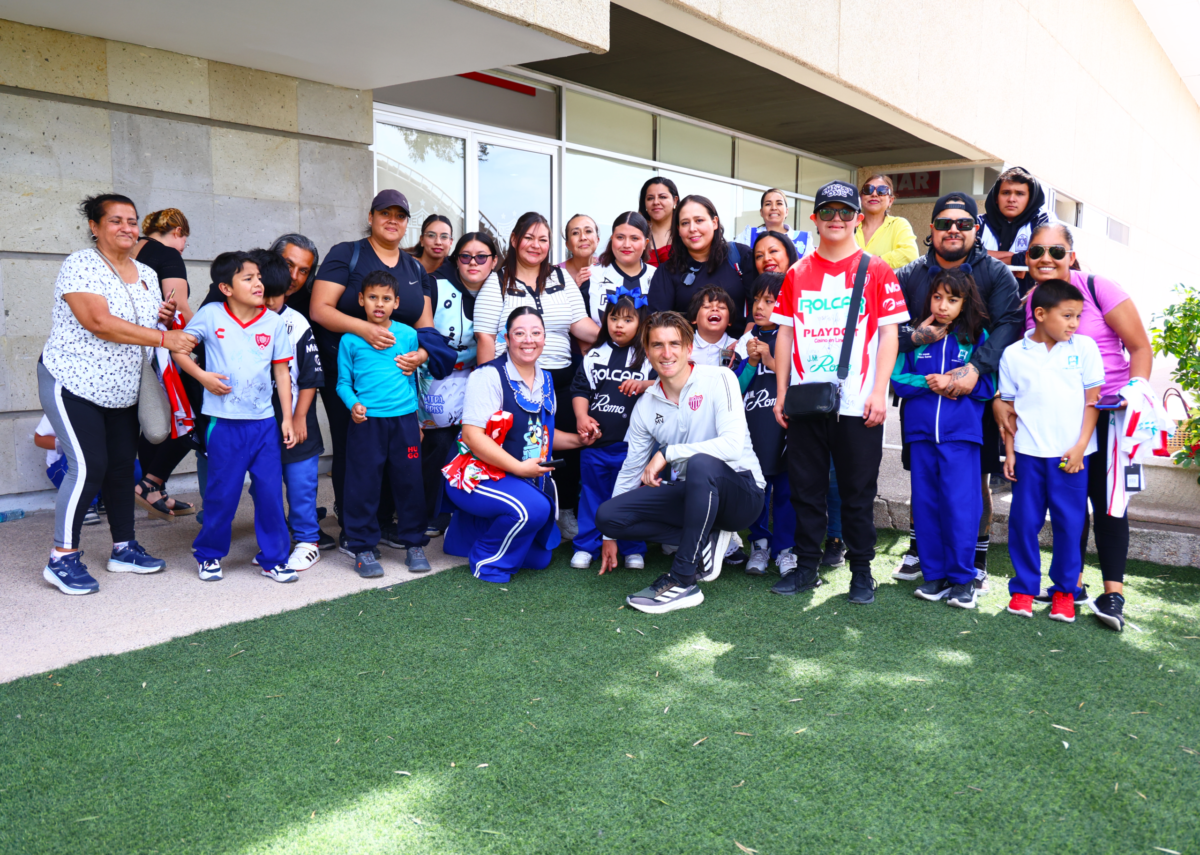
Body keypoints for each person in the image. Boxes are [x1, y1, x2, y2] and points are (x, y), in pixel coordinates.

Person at [996, 222, 1153, 631]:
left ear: (1072, 254)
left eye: (1056, 251)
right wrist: (1001, 404)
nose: (1045, 258)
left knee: (1107, 504)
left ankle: (1112, 592)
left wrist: (1134, 399)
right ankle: (1070, 587)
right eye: (1035, 252)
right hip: (1046, 432)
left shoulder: (1100, 289)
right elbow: (1017, 374)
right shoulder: (1031, 303)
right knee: (1065, 513)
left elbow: (1139, 348)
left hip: (1108, 415)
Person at [39, 194, 193, 595]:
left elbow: (134, 319)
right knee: (88, 467)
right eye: (116, 220)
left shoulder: (143, 271)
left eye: (132, 221)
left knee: (124, 469)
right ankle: (62, 558)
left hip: (124, 390)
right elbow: (99, 321)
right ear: (95, 225)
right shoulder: (80, 264)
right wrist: (164, 335)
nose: (127, 228)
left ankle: (123, 548)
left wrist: (157, 317)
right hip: (73, 383)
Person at [770, 181, 908, 604]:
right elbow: (785, 336)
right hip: (807, 401)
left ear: (858, 218)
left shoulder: (876, 269)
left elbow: (889, 336)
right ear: (814, 219)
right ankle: (807, 568)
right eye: (827, 211)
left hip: (858, 402)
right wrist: (781, 392)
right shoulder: (796, 272)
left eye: (845, 212)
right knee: (806, 489)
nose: (836, 219)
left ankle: (862, 572)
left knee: (857, 493)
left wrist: (879, 391)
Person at [893, 193, 1023, 590]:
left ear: (976, 228)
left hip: (970, 404)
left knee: (972, 484)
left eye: (963, 223)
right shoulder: (910, 274)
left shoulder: (995, 274)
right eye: (945, 223)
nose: (954, 229)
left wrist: (975, 369)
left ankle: (973, 558)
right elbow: (882, 330)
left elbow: (1010, 324)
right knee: (925, 483)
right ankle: (924, 556)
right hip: (920, 412)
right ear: (931, 230)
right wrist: (915, 337)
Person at [596, 312, 765, 614]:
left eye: (675, 343)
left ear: (689, 348)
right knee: (608, 516)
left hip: (742, 493)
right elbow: (632, 470)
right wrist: (611, 536)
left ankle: (683, 579)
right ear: (647, 352)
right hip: (695, 496)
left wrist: (668, 453)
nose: (667, 353)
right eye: (658, 345)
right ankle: (708, 539)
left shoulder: (719, 378)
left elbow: (731, 445)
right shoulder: (647, 405)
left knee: (701, 464)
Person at [310, 189, 435, 551]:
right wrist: (364, 329)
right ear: (371, 216)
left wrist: (421, 355)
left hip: (397, 382)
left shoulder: (414, 268)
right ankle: (355, 527)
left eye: (400, 214)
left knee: (399, 458)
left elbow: (424, 327)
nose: (392, 220)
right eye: (385, 212)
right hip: (351, 374)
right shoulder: (346, 254)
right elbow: (320, 309)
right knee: (357, 454)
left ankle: (385, 522)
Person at [474, 211, 600, 538]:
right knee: (524, 444)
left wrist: (621, 337)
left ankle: (567, 509)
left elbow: (580, 325)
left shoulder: (560, 279)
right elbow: (486, 337)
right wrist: (492, 386)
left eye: (542, 239)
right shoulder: (497, 280)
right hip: (517, 380)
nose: (535, 245)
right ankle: (522, 508)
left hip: (563, 375)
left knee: (569, 445)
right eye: (528, 237)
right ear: (514, 240)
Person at [442, 308, 590, 583]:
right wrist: (520, 469)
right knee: (532, 509)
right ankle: (487, 563)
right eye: (519, 333)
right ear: (507, 339)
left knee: (540, 559)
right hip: (477, 475)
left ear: (545, 338)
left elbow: (541, 434)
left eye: (535, 333)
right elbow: (473, 437)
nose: (528, 340)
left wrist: (579, 440)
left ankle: (467, 533)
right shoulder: (487, 376)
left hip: (516, 476)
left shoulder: (545, 378)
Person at [177, 251, 297, 583]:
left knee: (271, 494)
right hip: (223, 424)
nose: (258, 283)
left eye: (258, 277)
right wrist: (202, 377)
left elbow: (282, 373)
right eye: (248, 278)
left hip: (263, 425)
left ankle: (274, 558)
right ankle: (208, 554)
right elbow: (178, 349)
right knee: (222, 494)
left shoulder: (273, 322)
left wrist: (286, 418)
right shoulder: (211, 315)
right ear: (226, 287)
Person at [999, 279, 1104, 623]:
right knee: (1024, 523)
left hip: (1071, 458)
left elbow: (1093, 404)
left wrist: (1079, 448)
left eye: (1078, 316)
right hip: (1028, 454)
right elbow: (1010, 410)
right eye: (1068, 316)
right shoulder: (1014, 354)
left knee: (1070, 524)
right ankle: (1024, 591)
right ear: (1040, 314)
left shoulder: (1085, 348)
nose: (1074, 324)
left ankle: (1063, 594)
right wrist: (1011, 453)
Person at [891, 268, 996, 609]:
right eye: (937, 297)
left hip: (961, 437)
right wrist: (930, 382)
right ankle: (934, 575)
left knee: (960, 506)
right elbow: (896, 380)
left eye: (952, 299)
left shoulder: (977, 338)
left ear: (965, 303)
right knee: (925, 504)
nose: (943, 305)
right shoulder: (916, 335)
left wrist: (954, 382)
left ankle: (963, 579)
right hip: (920, 436)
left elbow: (988, 388)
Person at [336, 270, 431, 577]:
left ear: (396, 302)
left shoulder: (407, 335)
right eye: (373, 297)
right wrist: (354, 405)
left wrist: (417, 420)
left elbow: (416, 380)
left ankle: (414, 542)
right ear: (361, 300)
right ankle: (362, 547)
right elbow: (342, 384)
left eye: (386, 298)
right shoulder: (350, 339)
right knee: (363, 485)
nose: (379, 304)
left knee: (409, 482)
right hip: (367, 425)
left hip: (403, 423)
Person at [419, 232, 499, 537]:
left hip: (480, 376)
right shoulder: (436, 285)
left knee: (474, 442)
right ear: (456, 259)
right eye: (466, 256)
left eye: (482, 257)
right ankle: (431, 512)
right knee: (438, 445)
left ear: (493, 261)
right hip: (435, 378)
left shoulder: (501, 290)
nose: (473, 262)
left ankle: (467, 508)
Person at [570, 287, 655, 571]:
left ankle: (633, 547)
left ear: (641, 322)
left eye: (628, 320)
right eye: (614, 318)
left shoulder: (649, 357)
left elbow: (671, 385)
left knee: (630, 498)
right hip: (596, 444)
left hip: (633, 446)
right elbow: (580, 389)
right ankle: (586, 545)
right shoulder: (595, 354)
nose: (619, 325)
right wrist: (582, 417)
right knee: (592, 495)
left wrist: (644, 384)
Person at [131, 208, 197, 520]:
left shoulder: (132, 250)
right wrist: (210, 338)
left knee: (151, 420)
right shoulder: (168, 253)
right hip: (158, 351)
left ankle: (154, 490)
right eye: (185, 238)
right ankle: (150, 484)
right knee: (190, 415)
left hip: (125, 350)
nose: (184, 246)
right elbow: (179, 305)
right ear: (177, 231)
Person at [262, 253, 325, 573]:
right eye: (264, 292)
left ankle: (307, 540)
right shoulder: (235, 320)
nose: (270, 301)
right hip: (258, 423)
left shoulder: (296, 322)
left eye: (278, 293)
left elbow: (311, 376)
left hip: (298, 420)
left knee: (301, 485)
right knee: (266, 487)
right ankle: (274, 541)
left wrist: (300, 417)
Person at [733, 272, 797, 577]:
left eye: (769, 301)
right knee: (757, 490)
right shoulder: (747, 339)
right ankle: (759, 545)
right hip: (753, 430)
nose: (760, 306)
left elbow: (798, 376)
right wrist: (752, 363)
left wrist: (770, 358)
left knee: (786, 492)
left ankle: (786, 550)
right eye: (756, 299)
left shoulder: (793, 336)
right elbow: (735, 389)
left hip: (784, 429)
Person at [648, 195, 756, 333]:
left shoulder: (740, 256)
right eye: (685, 223)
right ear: (678, 229)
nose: (692, 228)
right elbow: (657, 323)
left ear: (715, 222)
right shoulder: (667, 270)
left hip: (739, 350)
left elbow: (760, 304)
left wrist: (745, 342)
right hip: (687, 352)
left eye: (699, 220)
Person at [36, 411, 103, 526]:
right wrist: (68, 444)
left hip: (99, 460)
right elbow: (39, 439)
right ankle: (86, 504)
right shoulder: (62, 403)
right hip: (64, 465)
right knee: (81, 460)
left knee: (134, 469)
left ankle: (103, 497)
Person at [586, 211, 654, 323]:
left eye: (634, 238)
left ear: (646, 243)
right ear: (612, 238)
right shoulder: (592, 274)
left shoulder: (657, 276)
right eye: (620, 237)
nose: (626, 245)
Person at [978, 166, 1053, 268]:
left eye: (1019, 194)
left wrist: (1009, 260)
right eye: (1006, 193)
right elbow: (965, 255)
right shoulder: (979, 223)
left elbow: (1044, 254)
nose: (1011, 199)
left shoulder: (1042, 220)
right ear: (996, 197)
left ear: (1030, 199)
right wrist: (1017, 258)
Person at [854, 174, 919, 269]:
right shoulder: (849, 225)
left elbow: (910, 254)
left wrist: (870, 264)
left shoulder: (898, 224)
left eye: (882, 190)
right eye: (868, 190)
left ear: (890, 201)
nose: (874, 194)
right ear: (861, 198)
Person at [735, 188, 813, 260]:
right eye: (768, 204)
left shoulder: (804, 239)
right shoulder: (749, 235)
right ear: (761, 212)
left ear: (787, 211)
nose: (774, 208)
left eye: (779, 203)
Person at [270, 233, 320, 320]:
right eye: (288, 265)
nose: (294, 276)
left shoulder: (310, 306)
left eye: (303, 271)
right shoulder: (249, 293)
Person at [687, 286, 737, 367]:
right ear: (694, 318)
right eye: (707, 307)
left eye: (721, 307)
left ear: (730, 320)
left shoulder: (737, 347)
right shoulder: (683, 345)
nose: (715, 309)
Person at [638, 177, 680, 267]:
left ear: (675, 201)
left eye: (662, 197)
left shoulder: (686, 233)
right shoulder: (635, 235)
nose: (656, 202)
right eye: (650, 198)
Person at [559, 213, 599, 290]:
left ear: (597, 240)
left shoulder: (609, 265)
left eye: (588, 231)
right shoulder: (555, 274)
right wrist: (575, 288)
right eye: (575, 233)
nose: (583, 237)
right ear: (568, 245)